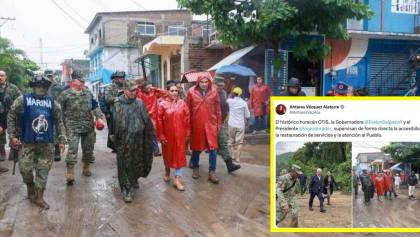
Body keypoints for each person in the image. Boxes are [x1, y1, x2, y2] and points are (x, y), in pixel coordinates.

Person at [7, 75, 66, 209]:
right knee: (25, 169)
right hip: (27, 142)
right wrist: (12, 135)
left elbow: (59, 121)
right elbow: (11, 114)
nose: (41, 89)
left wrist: (62, 139)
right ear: (33, 87)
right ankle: (30, 186)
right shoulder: (23, 99)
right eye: (38, 86)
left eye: (44, 86)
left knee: (43, 171)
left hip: (47, 143)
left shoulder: (52, 102)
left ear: (47, 88)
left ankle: (39, 196)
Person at [58, 70, 105, 185]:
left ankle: (86, 166)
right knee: (72, 149)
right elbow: (58, 111)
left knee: (88, 149)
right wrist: (60, 126)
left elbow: (95, 106)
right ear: (73, 81)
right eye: (81, 80)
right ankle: (70, 172)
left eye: (84, 80)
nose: (83, 82)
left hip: (88, 126)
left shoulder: (88, 93)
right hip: (72, 126)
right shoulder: (65, 95)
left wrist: (99, 117)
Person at [111, 80, 154, 202]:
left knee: (137, 162)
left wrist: (150, 137)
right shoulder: (117, 104)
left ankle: (134, 179)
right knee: (124, 165)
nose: (134, 93)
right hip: (123, 141)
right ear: (125, 90)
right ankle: (126, 190)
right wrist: (114, 140)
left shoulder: (139, 103)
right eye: (131, 90)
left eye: (135, 90)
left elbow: (147, 121)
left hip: (138, 140)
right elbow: (113, 124)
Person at [186, 75, 221, 184]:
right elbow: (187, 110)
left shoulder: (214, 92)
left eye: (206, 82)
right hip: (197, 124)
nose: (204, 84)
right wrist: (188, 126)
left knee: (213, 149)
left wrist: (218, 124)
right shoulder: (191, 92)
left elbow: (218, 109)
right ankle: (195, 167)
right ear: (198, 82)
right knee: (196, 148)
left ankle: (212, 172)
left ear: (209, 82)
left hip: (211, 124)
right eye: (202, 82)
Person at [157, 84, 190, 191]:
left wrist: (187, 133)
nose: (174, 92)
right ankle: (167, 171)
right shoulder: (162, 104)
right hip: (167, 136)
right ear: (167, 92)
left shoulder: (182, 104)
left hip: (180, 135)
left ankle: (177, 180)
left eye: (176, 90)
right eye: (172, 90)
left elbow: (187, 119)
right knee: (167, 155)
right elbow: (159, 121)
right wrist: (161, 135)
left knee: (179, 156)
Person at [212, 76, 241, 173]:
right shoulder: (210, 93)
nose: (220, 87)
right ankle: (194, 162)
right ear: (214, 84)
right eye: (218, 86)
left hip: (219, 122)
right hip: (209, 123)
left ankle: (229, 165)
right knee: (201, 145)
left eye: (221, 85)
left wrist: (224, 119)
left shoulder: (224, 93)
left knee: (223, 142)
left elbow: (225, 107)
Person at [136, 81, 167, 157]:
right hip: (142, 116)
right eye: (148, 87)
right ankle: (143, 151)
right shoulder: (140, 93)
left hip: (152, 116)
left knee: (153, 133)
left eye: (150, 87)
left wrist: (156, 88)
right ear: (144, 88)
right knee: (142, 133)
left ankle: (156, 151)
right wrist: (140, 86)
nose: (149, 89)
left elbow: (166, 94)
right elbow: (134, 89)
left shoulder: (154, 92)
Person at [0, 70, 21, 163]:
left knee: (13, 132)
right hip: (0, 116)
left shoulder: (13, 88)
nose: (0, 77)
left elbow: (20, 99)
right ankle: (2, 151)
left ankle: (13, 150)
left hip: (11, 114)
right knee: (0, 133)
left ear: (6, 77)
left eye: (2, 75)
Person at [45, 69, 65, 162]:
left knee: (56, 131)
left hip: (56, 111)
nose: (49, 77)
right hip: (43, 112)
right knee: (44, 130)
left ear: (53, 76)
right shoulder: (41, 86)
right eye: (47, 76)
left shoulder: (59, 87)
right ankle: (46, 152)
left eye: (50, 76)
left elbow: (64, 99)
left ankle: (57, 151)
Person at [226, 87, 250, 164]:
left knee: (231, 140)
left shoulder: (230, 101)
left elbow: (228, 98)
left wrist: (231, 92)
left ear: (233, 93)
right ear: (240, 94)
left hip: (231, 124)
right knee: (239, 142)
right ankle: (237, 158)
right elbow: (247, 115)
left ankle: (232, 156)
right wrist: (247, 121)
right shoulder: (244, 103)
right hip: (240, 124)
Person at [104, 71, 126, 152]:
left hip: (127, 111)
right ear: (116, 79)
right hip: (115, 112)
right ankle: (115, 146)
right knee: (115, 130)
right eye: (120, 78)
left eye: (123, 78)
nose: (122, 80)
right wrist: (119, 98)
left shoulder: (126, 86)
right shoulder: (110, 87)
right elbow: (107, 99)